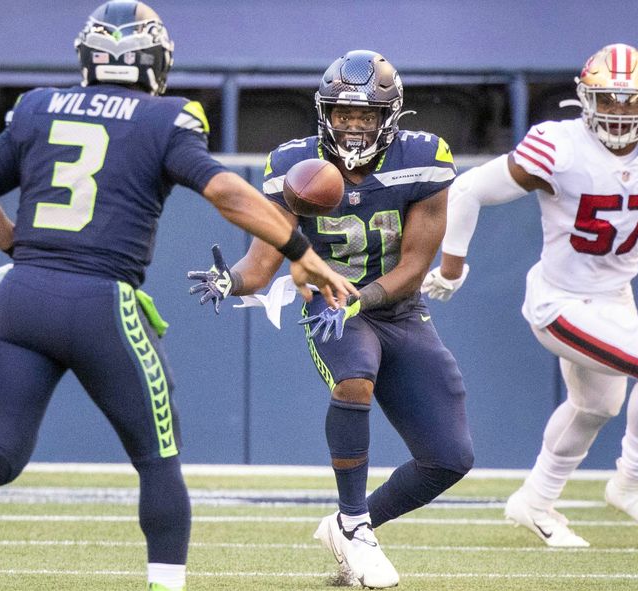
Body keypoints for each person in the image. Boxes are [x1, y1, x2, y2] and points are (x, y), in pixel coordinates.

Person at [0, 3, 354, 591]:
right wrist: (300, 249)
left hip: (24, 298)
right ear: (156, 61)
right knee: (157, 459)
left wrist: (26, 252)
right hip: (101, 305)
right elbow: (225, 190)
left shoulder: (36, 106)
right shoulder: (166, 117)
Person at [421, 43, 638, 547]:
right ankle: (634, 482)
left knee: (595, 406)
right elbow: (468, 190)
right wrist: (452, 266)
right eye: (607, 99)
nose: (618, 111)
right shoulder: (559, 146)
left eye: (629, 100)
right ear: (585, 99)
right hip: (560, 301)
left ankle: (534, 500)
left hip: (614, 295)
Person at [189, 50, 474, 588]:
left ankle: (348, 525)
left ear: (389, 116)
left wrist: (360, 299)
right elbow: (262, 260)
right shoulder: (296, 166)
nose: (352, 126)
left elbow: (414, 267)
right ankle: (356, 524)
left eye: (365, 116)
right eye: (342, 115)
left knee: (449, 458)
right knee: (355, 376)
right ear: (324, 113)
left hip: (397, 306)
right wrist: (232, 281)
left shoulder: (424, 157)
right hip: (329, 304)